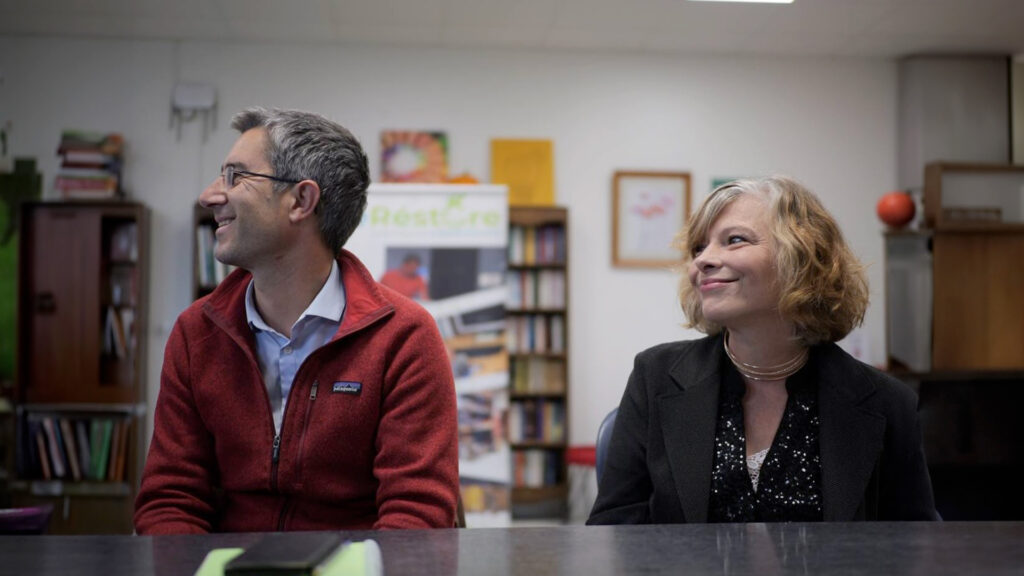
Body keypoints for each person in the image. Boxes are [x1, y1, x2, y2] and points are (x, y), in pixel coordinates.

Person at [135, 107, 459, 533]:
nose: (210, 195)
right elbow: (171, 500)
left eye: (236, 176)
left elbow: (415, 516)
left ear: (301, 201)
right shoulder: (197, 333)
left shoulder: (403, 337)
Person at [588, 176, 937, 524]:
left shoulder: (887, 403)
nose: (703, 261)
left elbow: (912, 547)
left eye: (734, 240)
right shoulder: (655, 376)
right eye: (698, 248)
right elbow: (614, 532)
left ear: (801, 258)